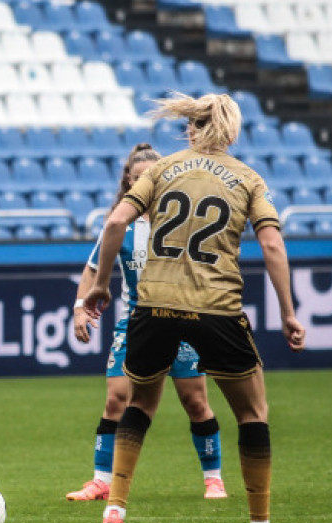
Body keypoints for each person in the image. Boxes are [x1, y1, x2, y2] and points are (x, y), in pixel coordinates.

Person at [83, 93, 306, 523]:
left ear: (190, 127)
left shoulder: (162, 170)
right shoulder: (247, 178)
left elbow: (115, 223)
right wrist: (288, 311)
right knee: (252, 413)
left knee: (140, 406)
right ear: (232, 131)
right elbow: (273, 249)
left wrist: (101, 284)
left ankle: (116, 512)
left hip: (153, 305)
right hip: (216, 307)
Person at [68, 144, 227, 502]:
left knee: (195, 401)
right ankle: (101, 480)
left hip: (182, 321)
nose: (145, 183)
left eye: (151, 177)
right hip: (136, 323)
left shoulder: (181, 222)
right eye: (138, 177)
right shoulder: (119, 225)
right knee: (115, 399)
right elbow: (92, 270)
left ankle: (213, 478)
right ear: (127, 181)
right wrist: (80, 306)